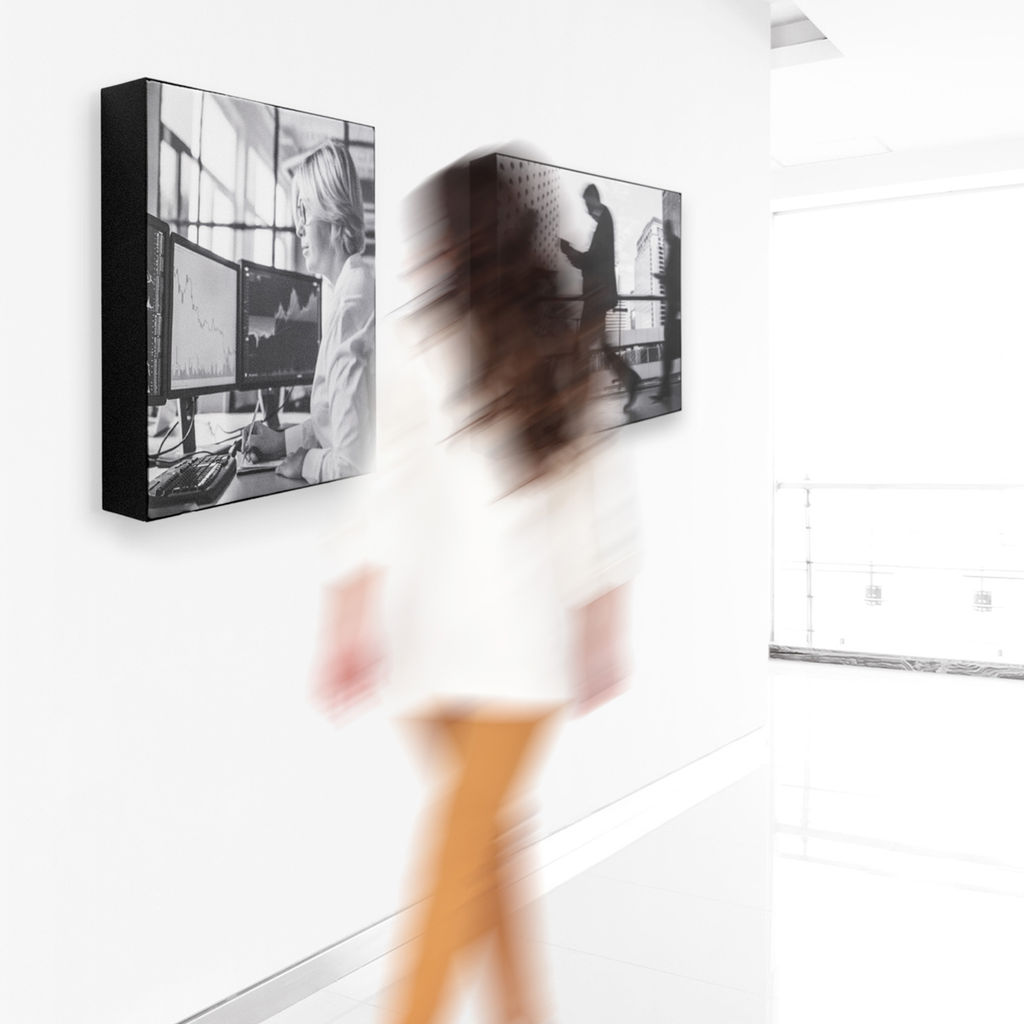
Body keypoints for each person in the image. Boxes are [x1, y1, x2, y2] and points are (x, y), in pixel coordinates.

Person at [314, 156, 638, 1024]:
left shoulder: (428, 345)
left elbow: (379, 500)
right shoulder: (564, 348)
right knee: (479, 865)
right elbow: (595, 518)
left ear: (459, 241)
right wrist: (604, 627)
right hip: (507, 666)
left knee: (461, 872)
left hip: (438, 663)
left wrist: (347, 619)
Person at [244, 141, 375, 482]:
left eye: (304, 210)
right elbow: (333, 419)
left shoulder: (351, 305)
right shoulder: (350, 288)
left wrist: (306, 464)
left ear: (332, 210)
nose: (298, 227)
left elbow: (352, 465)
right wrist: (281, 442)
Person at [559, 184, 641, 413]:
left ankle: (574, 402)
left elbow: (592, 261)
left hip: (597, 296)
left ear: (593, 199)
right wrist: (572, 253)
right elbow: (593, 261)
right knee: (603, 348)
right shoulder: (604, 223)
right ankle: (630, 379)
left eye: (587, 203)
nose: (586, 209)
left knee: (580, 348)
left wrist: (569, 251)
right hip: (598, 296)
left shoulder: (604, 220)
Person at [652, 217, 681, 404]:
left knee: (668, 352)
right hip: (674, 308)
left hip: (675, 308)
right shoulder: (675, 247)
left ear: (669, 232)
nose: (664, 236)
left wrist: (662, 277)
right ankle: (665, 391)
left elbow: (675, 278)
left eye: (665, 232)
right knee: (669, 353)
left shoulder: (677, 248)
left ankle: (665, 391)